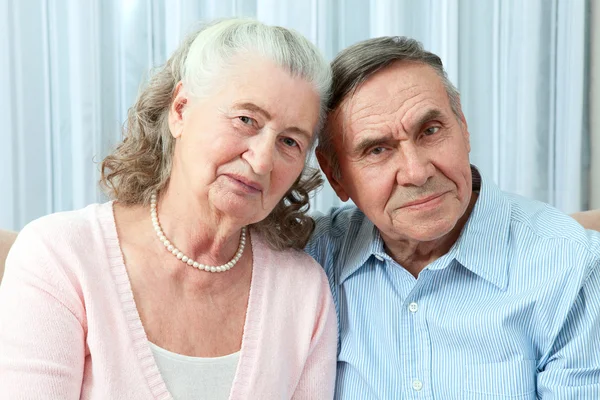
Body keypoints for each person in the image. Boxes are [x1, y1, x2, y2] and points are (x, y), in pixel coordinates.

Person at [0, 18, 337, 399]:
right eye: (246, 120)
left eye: (290, 142)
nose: (262, 161)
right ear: (180, 110)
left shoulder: (304, 292)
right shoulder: (60, 256)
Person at [306, 36, 600, 399]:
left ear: (462, 124)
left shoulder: (572, 266)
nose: (416, 172)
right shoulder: (314, 259)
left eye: (430, 131)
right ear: (335, 177)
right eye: (378, 149)